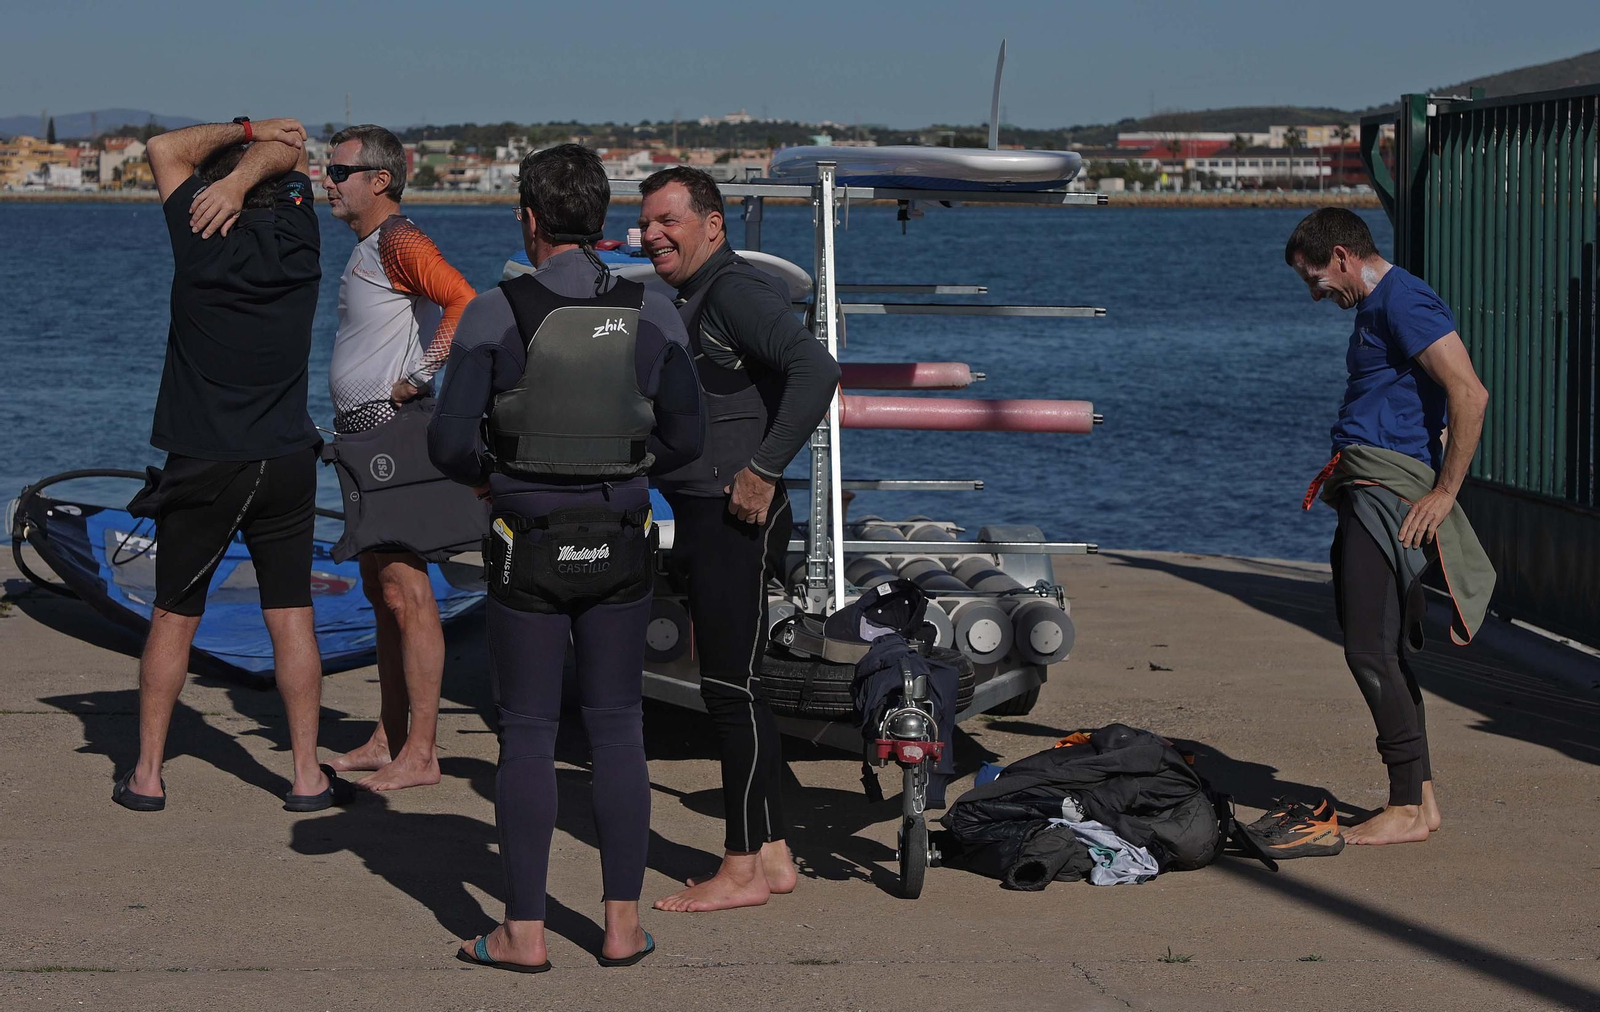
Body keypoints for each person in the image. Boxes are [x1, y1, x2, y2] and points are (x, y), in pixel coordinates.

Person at [429, 144, 704, 969]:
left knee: (527, 732)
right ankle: (621, 927)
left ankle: (522, 931)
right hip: (621, 540)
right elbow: (686, 439)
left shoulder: (491, 312)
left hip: (528, 546)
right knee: (619, 730)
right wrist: (620, 464)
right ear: (600, 220)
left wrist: (500, 479)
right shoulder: (654, 312)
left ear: (530, 217)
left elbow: (448, 443)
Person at [118, 117, 353, 813]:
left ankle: (148, 775)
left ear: (215, 192)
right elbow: (291, 147)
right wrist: (253, 163)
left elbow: (164, 148)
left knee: (172, 617)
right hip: (284, 457)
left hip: (207, 459)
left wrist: (243, 134)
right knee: (292, 618)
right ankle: (306, 774)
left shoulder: (199, 241)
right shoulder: (302, 240)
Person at [637, 167, 841, 911]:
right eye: (645, 222)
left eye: (668, 220)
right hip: (704, 516)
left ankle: (740, 867)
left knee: (728, 691)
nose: (652, 234)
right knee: (739, 689)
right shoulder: (693, 295)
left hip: (737, 520)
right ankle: (776, 854)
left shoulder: (732, 290)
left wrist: (762, 469)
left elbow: (816, 369)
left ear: (713, 224)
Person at [1286, 207, 1492, 846]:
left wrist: (1445, 493)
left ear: (1344, 255)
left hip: (1389, 496)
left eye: (1317, 277)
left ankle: (1404, 805)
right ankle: (1421, 800)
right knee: (1379, 642)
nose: (1317, 293)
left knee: (1367, 649)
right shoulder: (1376, 309)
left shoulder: (1405, 301)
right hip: (1368, 488)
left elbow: (1470, 393)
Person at [321, 124, 477, 792]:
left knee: (409, 595)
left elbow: (463, 300)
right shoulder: (368, 248)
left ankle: (422, 751)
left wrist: (422, 372)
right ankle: (389, 736)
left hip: (393, 431)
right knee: (382, 594)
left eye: (338, 170)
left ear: (378, 180)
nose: (327, 180)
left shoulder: (399, 238)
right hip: (363, 435)